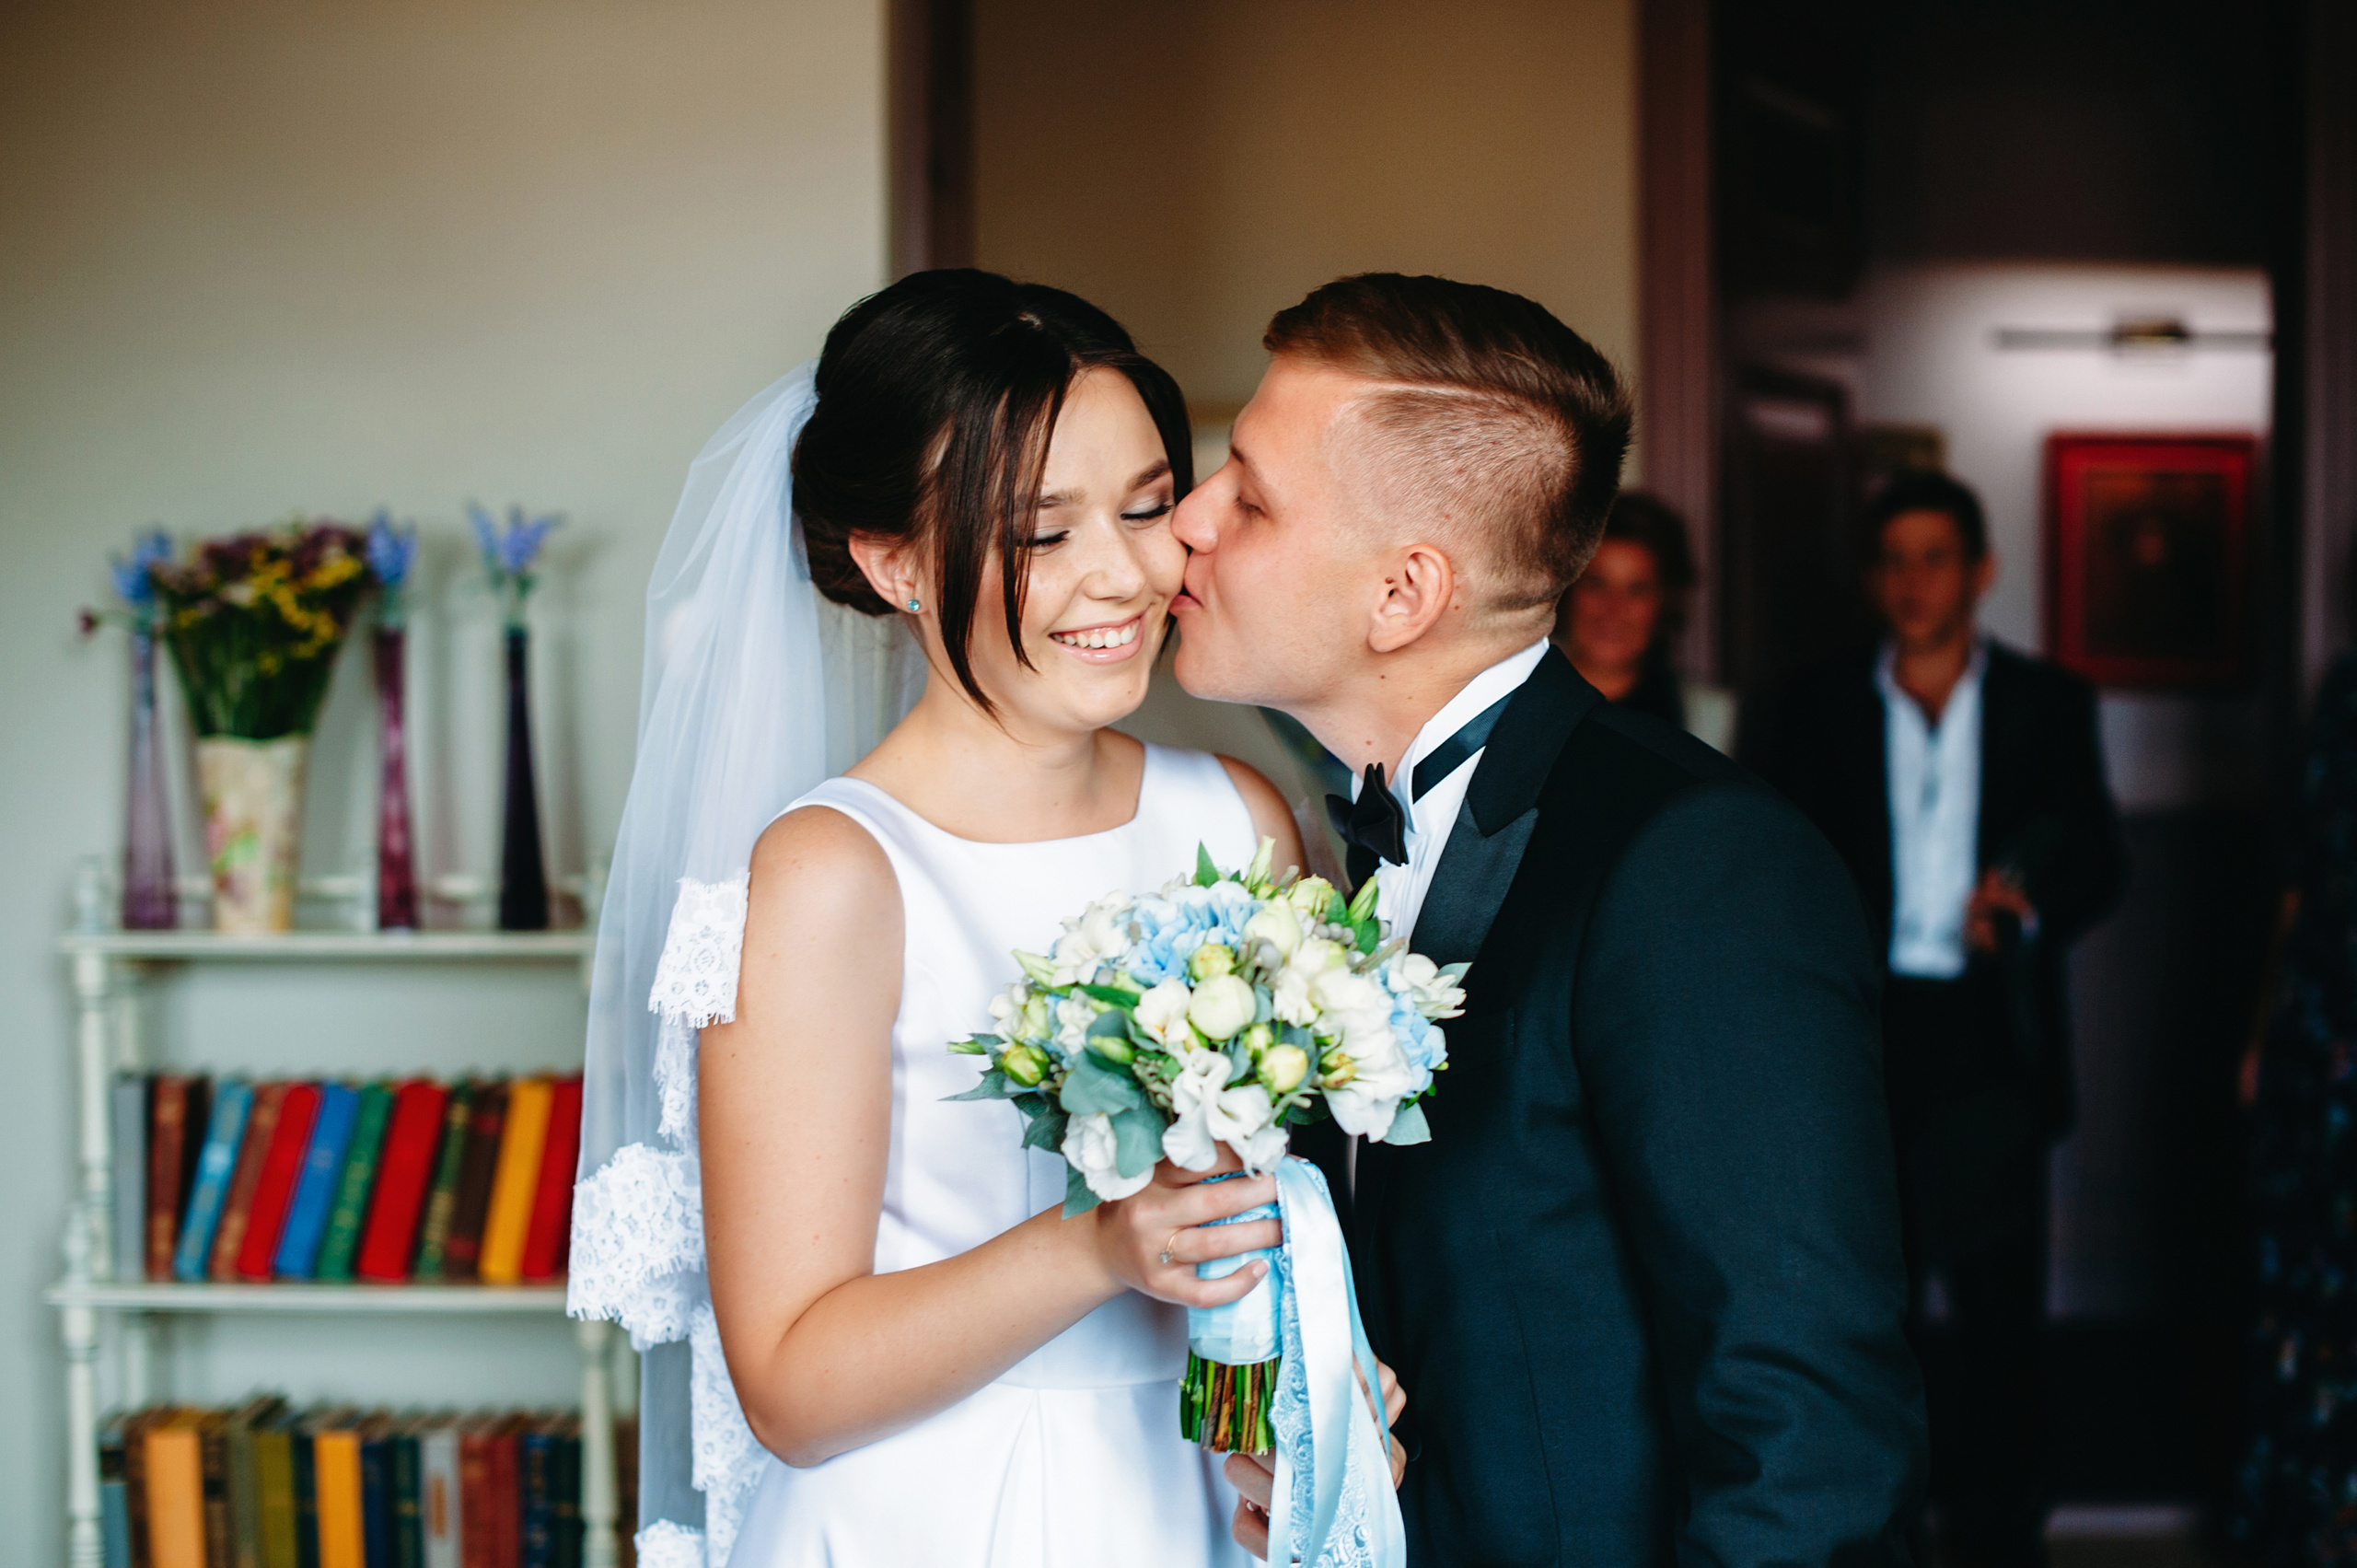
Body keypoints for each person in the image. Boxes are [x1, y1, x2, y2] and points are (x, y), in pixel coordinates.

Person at [568, 270, 1362, 1567]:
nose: (1124, 572)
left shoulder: (1238, 815)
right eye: (1042, 532)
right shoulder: (833, 876)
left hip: (1203, 1505)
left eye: (1152, 503)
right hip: (933, 1512)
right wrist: (1101, 1243)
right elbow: (791, 1383)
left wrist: (1326, 1369)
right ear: (891, 562)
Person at [1170, 272, 1926, 1565]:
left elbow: (1809, 1437)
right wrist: (1265, 1448)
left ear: (1403, 594)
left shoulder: (1697, 866)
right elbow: (1295, 1260)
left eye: (1246, 492)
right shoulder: (1289, 847)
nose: (1187, 520)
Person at [1745, 470, 2126, 1568]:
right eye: (1895, 560)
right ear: (1873, 578)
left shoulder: (2050, 702)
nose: (1914, 582)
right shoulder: (1807, 702)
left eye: (1936, 557)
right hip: (1854, 1041)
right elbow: (1769, 864)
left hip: (1988, 1037)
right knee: (1866, 1310)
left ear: (1980, 571)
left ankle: (2003, 1535)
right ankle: (1884, 1535)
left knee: (2003, 1314)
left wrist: (2032, 907)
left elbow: (2102, 855)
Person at [2235, 656, 2357, 1565]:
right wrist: (2262, 1026)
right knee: (2318, 1275)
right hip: (2328, 1024)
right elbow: (2295, 878)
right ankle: (2314, 1515)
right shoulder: (2347, 691)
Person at [1551, 489, 1737, 751]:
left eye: (1637, 590)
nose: (1613, 609)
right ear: (1568, 590)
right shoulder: (1512, 698)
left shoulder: (1707, 716)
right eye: (1596, 584)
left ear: (1665, 603)